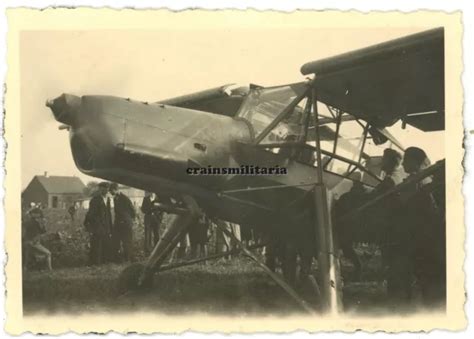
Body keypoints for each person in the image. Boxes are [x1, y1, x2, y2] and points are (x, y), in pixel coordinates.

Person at [334, 172, 368, 279]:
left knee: (345, 247)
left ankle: (357, 268)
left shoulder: (349, 196)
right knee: (346, 248)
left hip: (349, 226)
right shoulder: (364, 194)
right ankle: (357, 268)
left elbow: (341, 206)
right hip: (354, 225)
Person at [84, 182, 113, 265]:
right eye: (104, 188)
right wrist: (98, 224)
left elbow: (108, 214)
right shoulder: (95, 200)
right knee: (96, 245)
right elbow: (91, 214)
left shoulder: (107, 199)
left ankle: (103, 261)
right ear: (100, 189)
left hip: (106, 227)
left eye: (107, 188)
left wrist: (109, 226)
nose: (107, 190)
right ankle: (95, 263)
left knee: (105, 244)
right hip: (98, 227)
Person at [109, 183, 136, 262]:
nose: (110, 193)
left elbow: (132, 210)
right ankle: (119, 259)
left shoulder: (125, 198)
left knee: (127, 241)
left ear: (115, 189)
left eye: (111, 191)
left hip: (126, 223)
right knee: (116, 241)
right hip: (118, 223)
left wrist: (129, 220)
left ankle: (128, 258)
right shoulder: (115, 198)